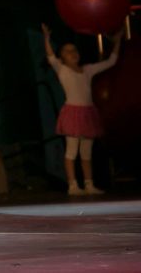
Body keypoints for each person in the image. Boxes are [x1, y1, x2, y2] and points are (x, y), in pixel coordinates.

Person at [42, 23, 121, 196]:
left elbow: (111, 61)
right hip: (73, 112)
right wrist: (46, 38)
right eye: (68, 51)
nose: (73, 53)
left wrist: (117, 41)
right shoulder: (62, 69)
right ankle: (72, 185)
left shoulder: (87, 70)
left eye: (74, 50)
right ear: (62, 57)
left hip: (88, 113)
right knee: (72, 151)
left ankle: (89, 184)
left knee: (86, 152)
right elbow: (51, 57)